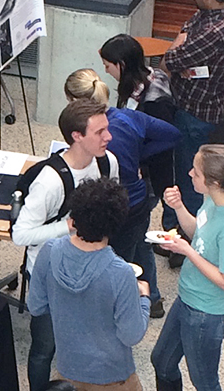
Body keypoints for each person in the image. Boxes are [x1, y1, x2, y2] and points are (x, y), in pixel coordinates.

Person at [12, 99, 119, 391]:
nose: (108, 137)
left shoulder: (108, 161)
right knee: (44, 346)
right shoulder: (50, 181)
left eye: (107, 129)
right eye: (100, 132)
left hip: (91, 269)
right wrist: (68, 227)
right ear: (76, 136)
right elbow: (20, 235)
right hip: (50, 275)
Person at [64, 68, 181, 317]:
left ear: (75, 102)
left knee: (118, 259)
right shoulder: (128, 116)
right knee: (140, 245)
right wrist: (140, 154)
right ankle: (153, 299)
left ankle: (121, 309)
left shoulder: (99, 142)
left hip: (118, 207)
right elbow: (172, 134)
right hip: (142, 198)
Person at [150, 144, 224, 391]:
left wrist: (186, 251)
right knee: (161, 361)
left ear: (215, 181)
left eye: (196, 172)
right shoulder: (213, 202)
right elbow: (197, 235)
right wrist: (179, 207)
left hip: (206, 314)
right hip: (188, 299)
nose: (190, 174)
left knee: (205, 382)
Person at [28, 178, 151, 391]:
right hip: (113, 377)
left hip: (68, 370)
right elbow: (131, 334)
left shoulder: (49, 251)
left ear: (74, 216)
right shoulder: (120, 272)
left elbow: (36, 305)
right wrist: (144, 299)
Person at [161, 0, 224, 237]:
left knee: (189, 177)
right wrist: (184, 38)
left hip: (194, 111)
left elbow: (169, 61)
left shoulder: (213, 33)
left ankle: (183, 235)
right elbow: (190, 25)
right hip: (207, 102)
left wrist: (179, 45)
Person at [99, 35, 180, 261]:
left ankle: (149, 291)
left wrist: (137, 159)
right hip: (140, 166)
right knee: (138, 239)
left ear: (122, 65)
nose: (105, 71)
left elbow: (167, 140)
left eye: (108, 65)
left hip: (149, 175)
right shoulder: (139, 83)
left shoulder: (154, 101)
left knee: (135, 237)